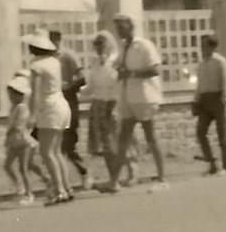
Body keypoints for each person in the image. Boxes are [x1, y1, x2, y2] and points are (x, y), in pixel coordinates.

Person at [111, 13, 167, 191]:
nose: (118, 30)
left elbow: (155, 69)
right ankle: (114, 182)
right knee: (123, 138)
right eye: (117, 27)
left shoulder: (144, 45)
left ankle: (161, 176)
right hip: (128, 95)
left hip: (144, 96)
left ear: (129, 26)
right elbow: (121, 68)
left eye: (121, 26)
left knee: (150, 136)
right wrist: (119, 71)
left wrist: (132, 73)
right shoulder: (123, 47)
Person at [27, 31, 74, 206]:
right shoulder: (54, 62)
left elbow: (36, 90)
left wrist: (32, 114)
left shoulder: (37, 65)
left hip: (49, 108)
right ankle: (66, 188)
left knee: (47, 152)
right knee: (56, 151)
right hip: (61, 105)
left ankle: (59, 190)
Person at [50, 30, 90, 192]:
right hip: (53, 104)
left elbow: (82, 78)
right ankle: (59, 184)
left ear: (60, 40)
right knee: (53, 145)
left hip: (69, 101)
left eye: (55, 40)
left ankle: (84, 172)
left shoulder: (68, 56)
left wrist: (67, 87)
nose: (53, 43)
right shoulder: (47, 59)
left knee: (68, 144)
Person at [83, 31, 123, 187]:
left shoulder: (116, 61)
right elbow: (91, 86)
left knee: (113, 142)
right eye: (96, 44)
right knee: (104, 145)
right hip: (98, 104)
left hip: (112, 104)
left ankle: (118, 178)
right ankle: (114, 180)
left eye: (102, 43)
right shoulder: (94, 63)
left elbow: (119, 84)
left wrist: (115, 105)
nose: (99, 47)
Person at [192, 34, 226, 175]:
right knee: (200, 132)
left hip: (218, 98)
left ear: (212, 46)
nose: (202, 48)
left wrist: (224, 99)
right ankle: (212, 163)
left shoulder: (220, 62)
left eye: (205, 45)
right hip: (205, 100)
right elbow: (199, 85)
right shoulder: (201, 64)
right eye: (201, 45)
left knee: (222, 135)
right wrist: (196, 101)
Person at [3, 70, 43, 205]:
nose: (11, 97)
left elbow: (20, 124)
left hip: (23, 141)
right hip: (15, 140)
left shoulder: (22, 108)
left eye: (13, 94)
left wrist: (12, 131)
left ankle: (29, 194)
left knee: (23, 168)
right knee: (8, 165)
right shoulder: (13, 108)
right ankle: (19, 186)